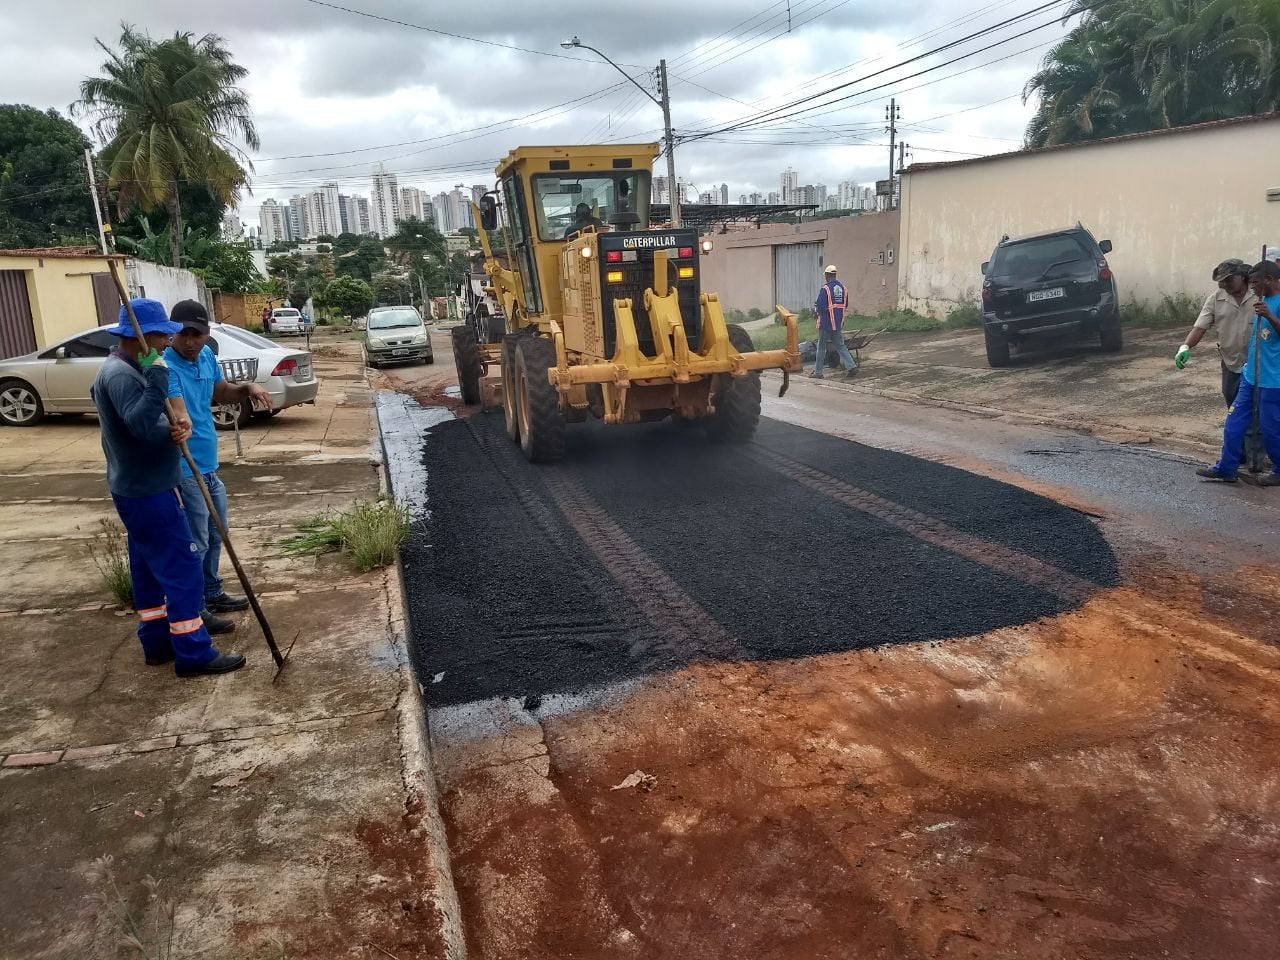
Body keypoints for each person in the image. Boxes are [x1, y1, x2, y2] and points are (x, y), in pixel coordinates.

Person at [90, 298, 246, 677]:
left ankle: (157, 641)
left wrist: (177, 427)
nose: (167, 343)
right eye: (162, 335)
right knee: (182, 568)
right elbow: (141, 425)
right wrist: (159, 388)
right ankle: (194, 652)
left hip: (140, 485)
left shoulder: (133, 362)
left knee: (147, 569)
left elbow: (153, 421)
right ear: (140, 336)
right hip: (148, 491)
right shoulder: (120, 375)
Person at [164, 300, 273, 629]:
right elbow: (177, 409)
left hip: (208, 466)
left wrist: (248, 388)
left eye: (197, 334)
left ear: (207, 334)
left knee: (216, 533)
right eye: (183, 334)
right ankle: (195, 608)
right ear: (172, 335)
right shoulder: (164, 367)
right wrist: (181, 422)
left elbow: (222, 392)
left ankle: (212, 592)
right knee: (195, 540)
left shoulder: (207, 357)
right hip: (185, 470)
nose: (190, 341)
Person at [1174, 259, 1265, 468]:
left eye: (1227, 280)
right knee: (1235, 411)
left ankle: (1255, 459)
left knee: (1257, 413)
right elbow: (1200, 327)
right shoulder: (1216, 299)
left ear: (1242, 277)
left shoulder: (1259, 296)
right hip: (1231, 363)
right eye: (1220, 282)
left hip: (1259, 364)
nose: (1223, 285)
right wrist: (1185, 347)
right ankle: (1240, 454)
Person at [1196, 260, 1280, 485]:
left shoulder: (1274, 303)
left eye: (1255, 283)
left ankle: (1278, 469)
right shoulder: (1257, 300)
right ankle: (1227, 467)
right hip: (1249, 374)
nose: (1252, 288)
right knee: (1234, 421)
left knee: (1269, 427)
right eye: (1250, 283)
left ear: (1270, 280)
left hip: (1273, 379)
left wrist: (1270, 316)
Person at [810, 264, 858, 380]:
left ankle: (818, 372)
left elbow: (820, 307)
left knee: (821, 347)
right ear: (835, 275)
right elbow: (845, 305)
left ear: (826, 275)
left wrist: (815, 311)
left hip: (826, 323)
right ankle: (852, 367)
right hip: (837, 322)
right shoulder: (843, 288)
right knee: (841, 346)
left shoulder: (825, 289)